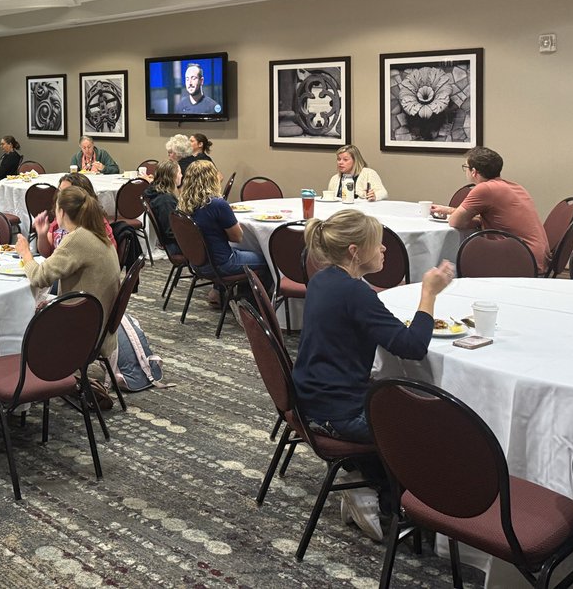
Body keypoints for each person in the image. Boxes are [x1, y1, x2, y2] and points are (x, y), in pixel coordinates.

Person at [292, 208, 454, 540]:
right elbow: (412, 346)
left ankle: (364, 479)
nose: (384, 250)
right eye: (377, 244)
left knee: (393, 394)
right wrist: (429, 294)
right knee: (432, 425)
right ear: (354, 251)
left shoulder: (324, 279)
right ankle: (395, 505)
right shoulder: (355, 293)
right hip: (337, 412)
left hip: (309, 397)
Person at [16, 187, 121, 356]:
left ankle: (31, 372)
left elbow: (39, 277)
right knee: (42, 304)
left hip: (86, 328)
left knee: (21, 317)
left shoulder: (77, 238)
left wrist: (25, 253)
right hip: (100, 321)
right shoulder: (94, 231)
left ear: (62, 212)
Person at [432, 147, 550, 272]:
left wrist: (458, 215)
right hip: (536, 255)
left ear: (474, 172)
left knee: (462, 263)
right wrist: (449, 210)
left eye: (465, 167)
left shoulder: (484, 189)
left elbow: (455, 222)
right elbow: (495, 218)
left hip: (521, 260)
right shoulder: (514, 186)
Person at [179, 159, 272, 293]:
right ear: (211, 178)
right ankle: (255, 306)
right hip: (222, 264)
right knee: (268, 262)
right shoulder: (217, 204)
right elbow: (237, 237)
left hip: (197, 263)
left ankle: (221, 295)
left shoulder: (183, 205)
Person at [32, 172, 115, 257]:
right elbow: (47, 253)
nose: (60, 196)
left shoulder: (95, 223)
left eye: (66, 192)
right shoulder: (62, 218)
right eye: (60, 191)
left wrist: (26, 253)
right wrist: (42, 235)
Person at [143, 160, 184, 256]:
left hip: (173, 242)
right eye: (179, 173)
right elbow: (170, 232)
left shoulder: (156, 193)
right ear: (172, 176)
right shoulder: (165, 201)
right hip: (174, 246)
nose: (181, 176)